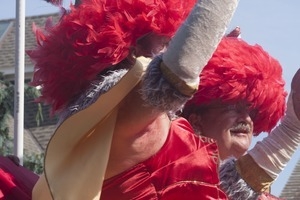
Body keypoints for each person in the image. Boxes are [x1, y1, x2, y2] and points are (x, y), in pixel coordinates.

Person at [27, 0, 239, 199]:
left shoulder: (133, 115)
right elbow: (176, 71)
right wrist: (207, 29)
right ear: (135, 50)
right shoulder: (120, 108)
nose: (173, 46)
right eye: (167, 41)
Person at [181, 32, 300, 199]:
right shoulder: (166, 175)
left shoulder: (265, 194)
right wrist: (291, 128)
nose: (246, 118)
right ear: (196, 121)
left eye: (251, 110)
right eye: (233, 106)